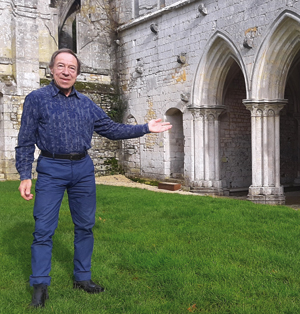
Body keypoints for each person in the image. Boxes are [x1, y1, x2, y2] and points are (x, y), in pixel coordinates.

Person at [15, 48, 172, 308]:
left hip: (83, 170)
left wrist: (145, 128)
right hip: (51, 168)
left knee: (85, 226)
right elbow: (25, 140)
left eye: (72, 68)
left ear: (77, 73)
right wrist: (24, 175)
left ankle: (82, 278)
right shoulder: (37, 99)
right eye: (61, 66)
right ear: (52, 69)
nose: (66, 72)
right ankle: (40, 285)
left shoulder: (86, 103)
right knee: (43, 229)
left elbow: (111, 129)